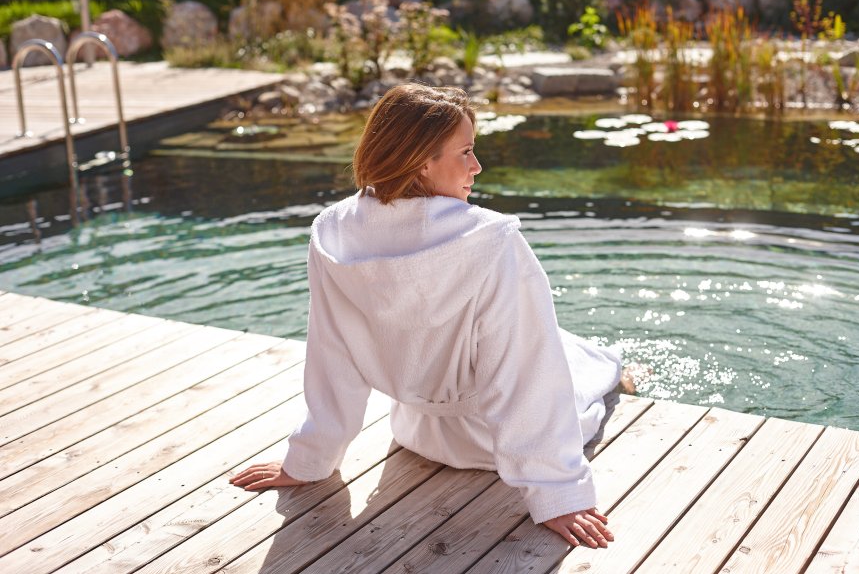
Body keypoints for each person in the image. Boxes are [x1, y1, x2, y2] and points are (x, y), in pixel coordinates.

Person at [230, 83, 623, 549]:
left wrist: (310, 460)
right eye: (467, 152)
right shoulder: (491, 239)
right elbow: (527, 373)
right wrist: (558, 494)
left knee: (558, 345)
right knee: (575, 364)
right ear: (422, 162)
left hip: (416, 431)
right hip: (490, 444)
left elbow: (331, 355)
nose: (477, 167)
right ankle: (617, 367)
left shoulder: (333, 231)